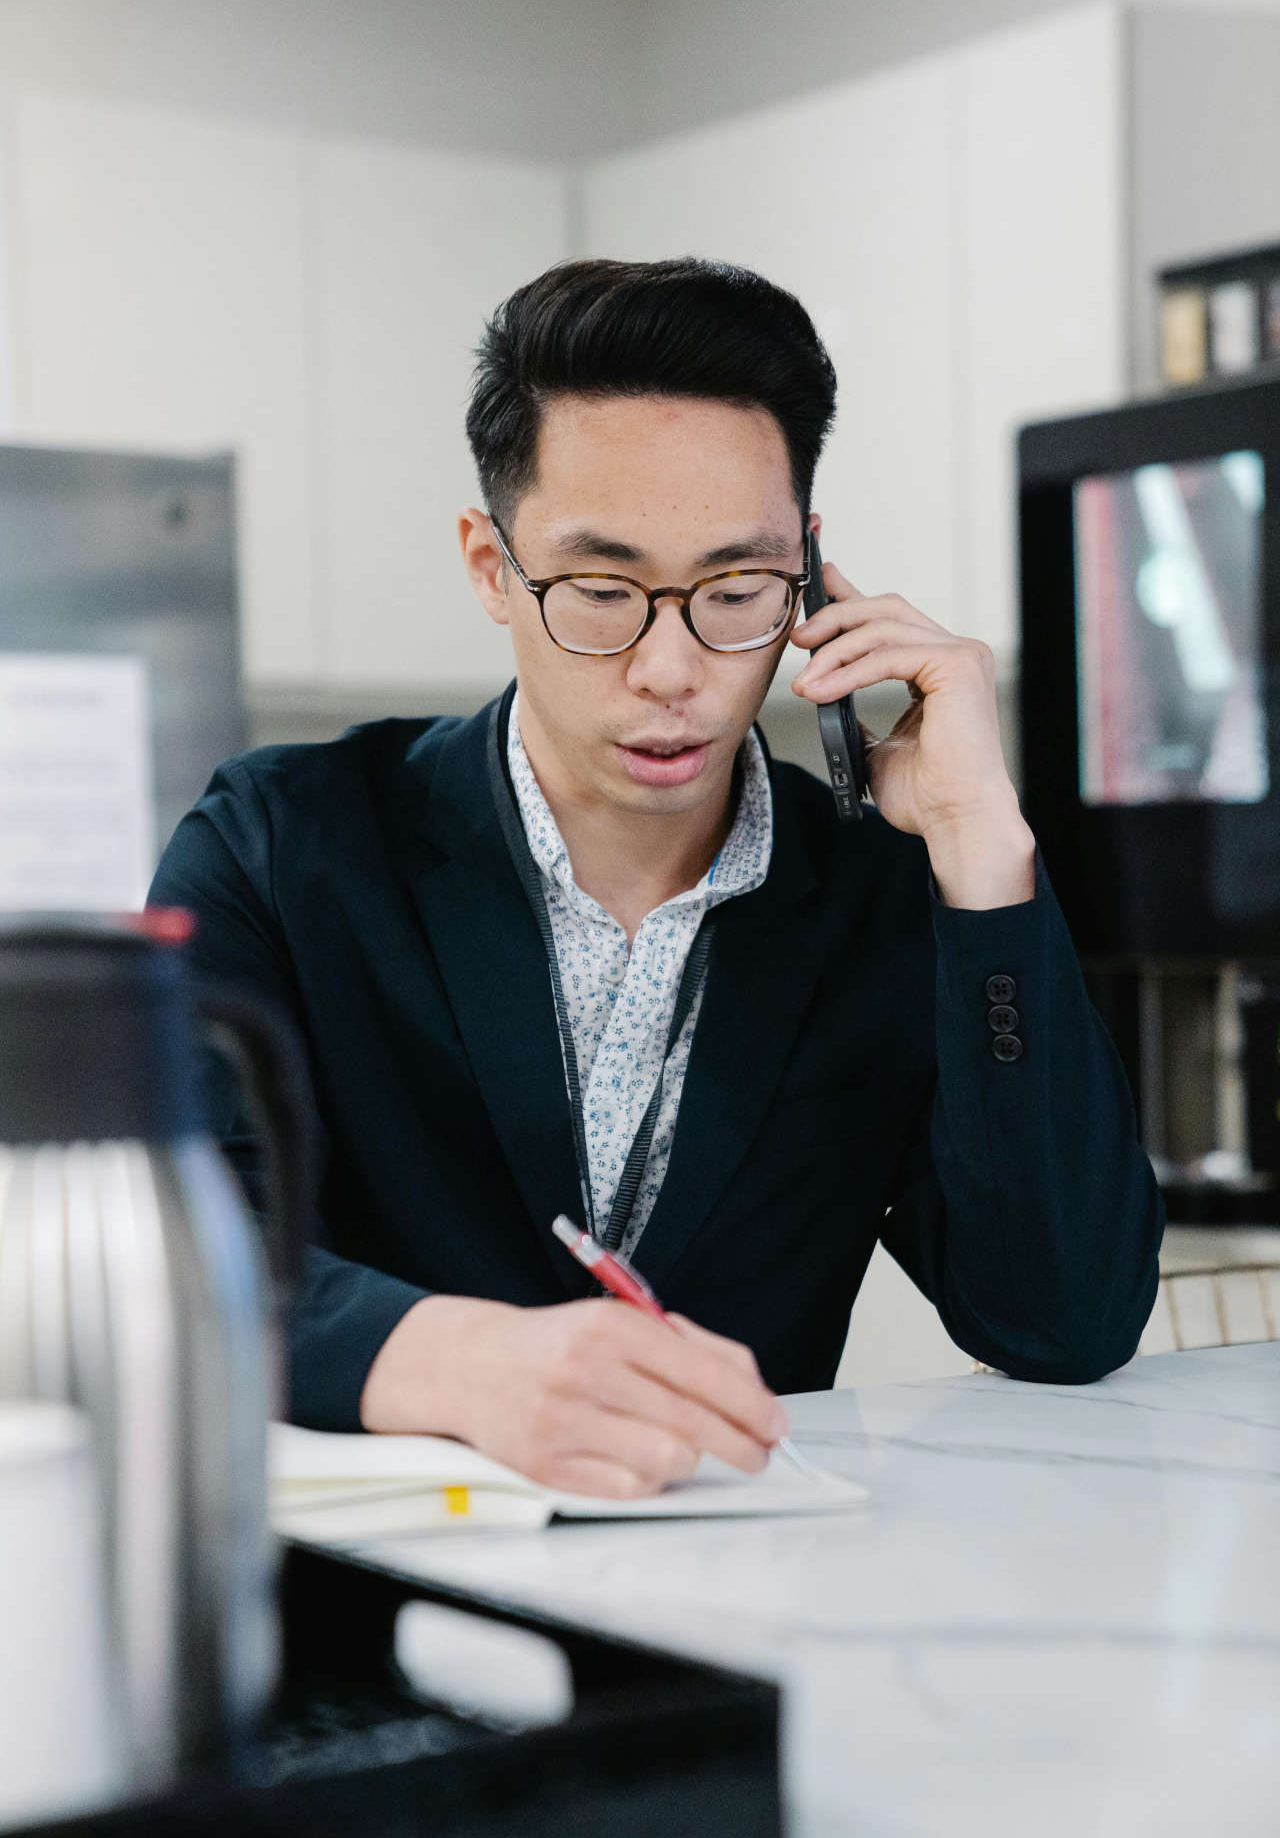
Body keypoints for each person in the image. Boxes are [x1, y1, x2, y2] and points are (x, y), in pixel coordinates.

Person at [149, 257, 1163, 1500]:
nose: (672, 667)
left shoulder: (876, 888)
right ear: (489, 567)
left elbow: (1061, 1320)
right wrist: (466, 1365)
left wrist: (984, 855)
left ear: (806, 576)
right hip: (376, 1613)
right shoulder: (282, 841)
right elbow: (167, 1244)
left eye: (735, 591)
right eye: (601, 592)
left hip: (748, 1611)